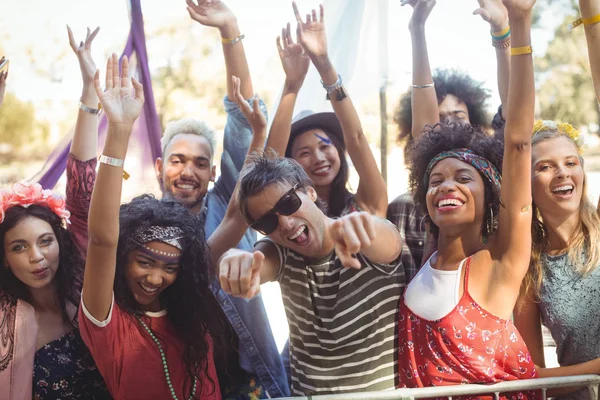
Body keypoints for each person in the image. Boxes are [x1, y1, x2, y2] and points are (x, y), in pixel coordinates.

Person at [397, 0, 539, 389]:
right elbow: (423, 134)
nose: (446, 185)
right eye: (436, 179)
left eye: (463, 178)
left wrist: (518, 25)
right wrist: (417, 30)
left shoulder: (500, 262)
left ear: (490, 194)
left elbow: (519, 141)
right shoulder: (428, 254)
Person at [154, 1, 288, 397]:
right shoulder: (143, 224)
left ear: (214, 172)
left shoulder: (229, 201)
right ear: (160, 165)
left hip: (248, 383)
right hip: (180, 384)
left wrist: (230, 31)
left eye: (200, 162)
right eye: (178, 160)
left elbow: (242, 115)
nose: (188, 171)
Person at [79, 54, 228, 399]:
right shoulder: (107, 319)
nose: (155, 278)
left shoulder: (190, 313)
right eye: (145, 262)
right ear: (124, 258)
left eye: (169, 267)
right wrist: (118, 131)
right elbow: (102, 239)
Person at [217, 153, 403, 396]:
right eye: (267, 222)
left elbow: (387, 241)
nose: (285, 223)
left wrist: (361, 230)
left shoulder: (364, 240)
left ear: (310, 192)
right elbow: (261, 260)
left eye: (287, 203)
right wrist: (236, 263)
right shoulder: (282, 253)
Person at [0, 27, 110, 400]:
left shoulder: (83, 288)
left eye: (45, 241)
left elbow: (82, 187)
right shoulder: (6, 318)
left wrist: (89, 90)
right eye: (18, 247)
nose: (36, 256)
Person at [388, 0, 509, 282]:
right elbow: (425, 127)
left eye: (458, 115)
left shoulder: (497, 172)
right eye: (441, 117)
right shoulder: (431, 190)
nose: (450, 123)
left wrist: (503, 33)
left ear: (475, 123)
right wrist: (417, 29)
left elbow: (514, 111)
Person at [513, 2, 600, 395]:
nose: (563, 172)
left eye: (570, 162)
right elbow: (531, 378)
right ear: (527, 183)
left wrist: (591, 15)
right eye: (546, 167)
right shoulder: (530, 269)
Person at [264, 2, 388, 218]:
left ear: (339, 150)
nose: (319, 157)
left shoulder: (367, 203)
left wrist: (322, 63)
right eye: (304, 153)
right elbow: (268, 164)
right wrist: (292, 85)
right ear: (290, 164)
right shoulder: (287, 220)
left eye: (324, 146)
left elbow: (356, 137)